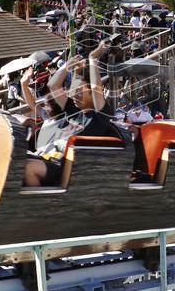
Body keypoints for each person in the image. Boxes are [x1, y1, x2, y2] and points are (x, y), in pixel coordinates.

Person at [23, 40, 121, 186]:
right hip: (54, 159)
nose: (75, 95)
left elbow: (95, 87)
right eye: (73, 91)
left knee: (27, 167)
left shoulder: (101, 115)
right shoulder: (74, 111)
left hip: (72, 171)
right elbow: (53, 85)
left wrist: (92, 58)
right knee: (14, 161)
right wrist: (67, 65)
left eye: (80, 92)